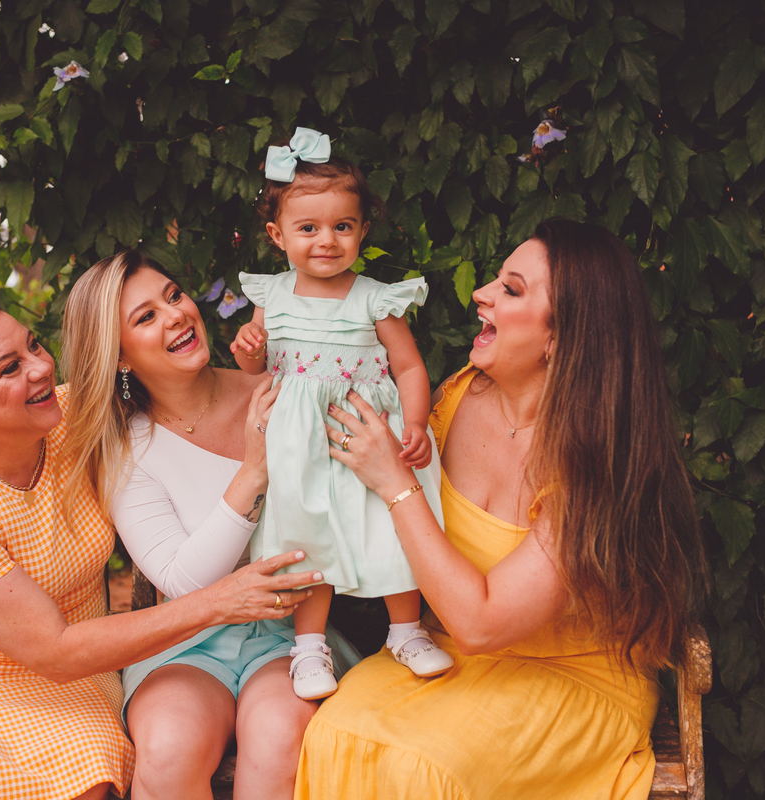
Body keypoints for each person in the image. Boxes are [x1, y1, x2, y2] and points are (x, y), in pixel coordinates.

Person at [296, 219, 710, 799]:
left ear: (560, 339)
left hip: (572, 675)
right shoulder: (456, 397)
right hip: (445, 655)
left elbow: (483, 622)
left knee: (425, 769)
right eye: (495, 281)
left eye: (511, 289)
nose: (480, 294)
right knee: (338, 732)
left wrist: (393, 480)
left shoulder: (593, 469)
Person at [0, 288, 319, 800]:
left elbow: (162, 365)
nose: (40, 370)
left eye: (34, 347)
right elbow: (54, 650)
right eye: (8, 368)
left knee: (87, 780)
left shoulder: (77, 417)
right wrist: (219, 600)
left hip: (80, 675)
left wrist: (261, 344)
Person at [61, 250, 358, 800]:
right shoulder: (128, 448)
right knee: (169, 748)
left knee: (279, 738)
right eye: (145, 317)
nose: (175, 315)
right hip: (183, 642)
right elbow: (181, 582)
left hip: (292, 634)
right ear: (119, 357)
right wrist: (253, 470)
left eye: (173, 296)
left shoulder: (277, 391)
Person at [231, 127, 453, 700]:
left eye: (342, 226)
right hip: (301, 445)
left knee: (392, 528)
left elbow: (407, 368)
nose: (326, 240)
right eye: (308, 228)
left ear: (362, 230)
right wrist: (250, 356)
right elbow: (260, 375)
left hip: (366, 437)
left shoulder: (375, 298)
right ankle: (309, 648)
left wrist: (415, 423)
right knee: (308, 537)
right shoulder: (270, 296)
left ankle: (406, 630)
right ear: (278, 235)